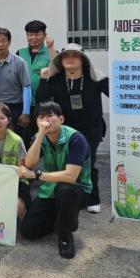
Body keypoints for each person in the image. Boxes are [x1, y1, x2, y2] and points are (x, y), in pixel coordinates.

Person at [36, 43, 109, 213]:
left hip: (92, 128)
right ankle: (68, 196)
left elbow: (117, 94)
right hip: (65, 130)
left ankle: (92, 198)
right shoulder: (55, 79)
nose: (70, 59)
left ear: (83, 60)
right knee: (67, 163)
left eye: (75, 56)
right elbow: (41, 99)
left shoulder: (96, 78)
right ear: (60, 61)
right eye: (66, 56)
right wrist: (43, 79)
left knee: (88, 162)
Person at [18, 101, 92, 259]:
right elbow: (29, 164)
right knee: (28, 230)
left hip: (77, 189)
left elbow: (70, 176)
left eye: (50, 116)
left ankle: (65, 237)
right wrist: (40, 136)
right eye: (40, 117)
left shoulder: (76, 139)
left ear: (61, 119)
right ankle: (66, 219)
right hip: (51, 189)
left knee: (65, 189)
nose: (45, 120)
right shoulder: (39, 137)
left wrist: (36, 175)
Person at [0, 28, 32, 136]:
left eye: (3, 40)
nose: (0, 44)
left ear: (9, 42)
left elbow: (26, 87)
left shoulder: (19, 62)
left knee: (16, 139)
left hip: (16, 108)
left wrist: (26, 112)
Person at [16, 20, 56, 145]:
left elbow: (56, 70)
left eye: (37, 34)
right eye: (30, 34)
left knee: (46, 138)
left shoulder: (51, 53)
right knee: (25, 138)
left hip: (44, 104)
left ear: (44, 35)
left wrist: (51, 48)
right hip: (24, 104)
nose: (33, 38)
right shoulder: (20, 53)